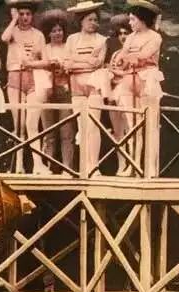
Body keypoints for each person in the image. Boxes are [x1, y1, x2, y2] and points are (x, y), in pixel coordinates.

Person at [111, 0, 163, 176]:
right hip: (129, 80)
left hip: (147, 80)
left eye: (133, 19)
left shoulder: (155, 37)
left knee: (150, 125)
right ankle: (133, 165)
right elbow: (122, 57)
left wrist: (129, 57)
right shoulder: (131, 37)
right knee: (132, 126)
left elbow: (145, 55)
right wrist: (125, 58)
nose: (130, 23)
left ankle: (150, 167)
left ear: (142, 19)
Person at [1, 0, 48, 174]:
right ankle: (18, 165)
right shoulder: (12, 31)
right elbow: (4, 38)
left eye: (28, 14)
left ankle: (38, 164)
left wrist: (32, 63)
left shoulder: (38, 35)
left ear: (32, 15)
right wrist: (13, 20)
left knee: (32, 124)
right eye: (21, 14)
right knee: (19, 124)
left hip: (33, 78)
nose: (25, 17)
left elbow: (46, 60)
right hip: (15, 77)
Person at [64, 0, 107, 176]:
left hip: (94, 84)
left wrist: (76, 61)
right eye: (90, 19)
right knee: (81, 127)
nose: (93, 23)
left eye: (96, 20)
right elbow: (67, 64)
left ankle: (93, 166)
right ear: (81, 20)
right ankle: (84, 166)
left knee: (93, 126)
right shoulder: (72, 39)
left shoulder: (101, 40)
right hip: (76, 86)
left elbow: (97, 63)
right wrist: (85, 61)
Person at [34, 9, 75, 173]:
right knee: (49, 132)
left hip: (65, 90)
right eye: (54, 31)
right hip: (47, 91)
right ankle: (49, 167)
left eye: (60, 30)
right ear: (48, 33)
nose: (58, 33)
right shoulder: (44, 49)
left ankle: (68, 168)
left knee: (67, 132)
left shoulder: (68, 47)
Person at [106, 13, 131, 175]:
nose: (123, 36)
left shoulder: (134, 53)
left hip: (128, 94)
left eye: (126, 33)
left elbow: (130, 74)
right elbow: (111, 73)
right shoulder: (116, 54)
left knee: (130, 130)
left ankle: (132, 164)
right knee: (117, 132)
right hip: (114, 94)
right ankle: (121, 164)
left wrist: (114, 71)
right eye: (120, 33)